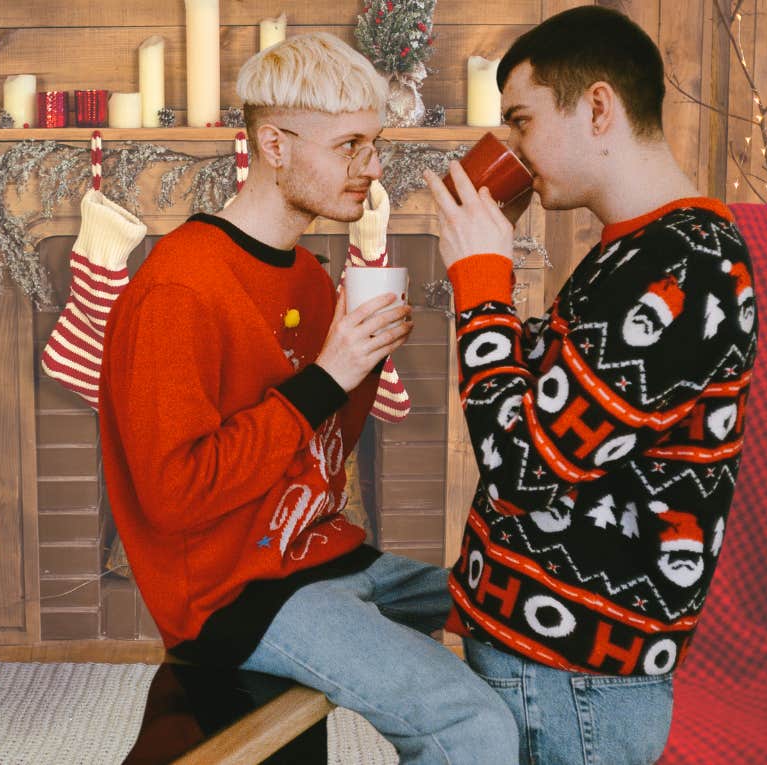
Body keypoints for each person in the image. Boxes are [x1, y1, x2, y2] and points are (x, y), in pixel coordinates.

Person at [99, 32, 518, 764]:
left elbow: (317, 452)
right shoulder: (179, 287)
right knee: (469, 724)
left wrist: (359, 362)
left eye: (375, 143)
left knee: (511, 605)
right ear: (275, 145)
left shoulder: (307, 278)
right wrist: (328, 374)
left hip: (319, 554)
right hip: (235, 593)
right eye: (350, 144)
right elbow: (173, 493)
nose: (374, 167)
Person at [422, 6, 758, 763]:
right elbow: (561, 399)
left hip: (577, 675)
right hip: (544, 652)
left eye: (523, 121)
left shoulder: (688, 263)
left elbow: (525, 465)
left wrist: (482, 286)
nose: (514, 147)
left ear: (598, 107)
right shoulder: (634, 248)